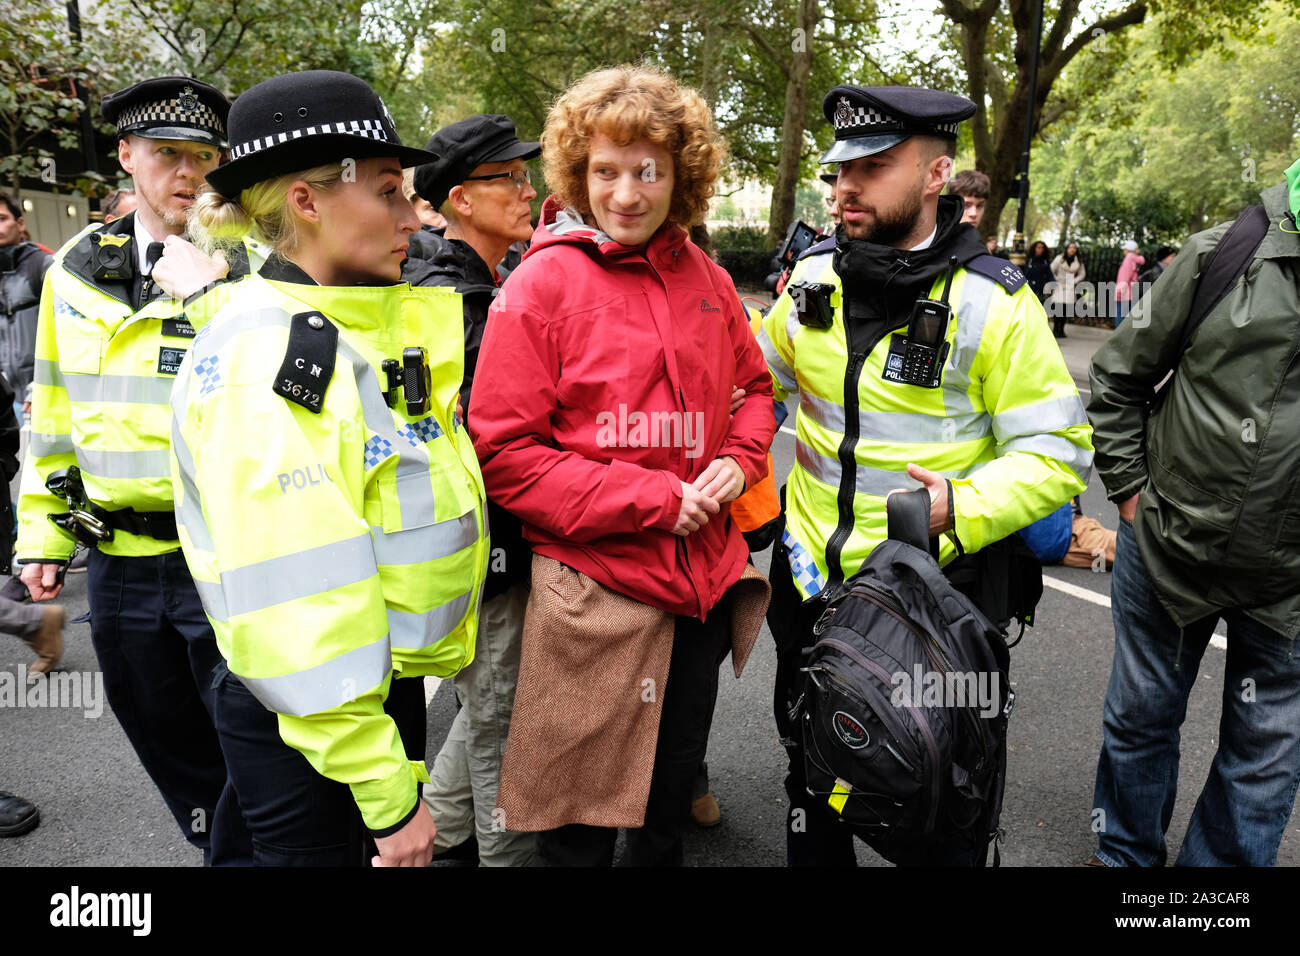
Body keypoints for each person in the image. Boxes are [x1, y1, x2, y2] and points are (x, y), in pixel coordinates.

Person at [759, 84, 1093, 867]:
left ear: (938, 173)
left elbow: (1057, 451)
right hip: (809, 590)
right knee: (814, 786)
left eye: (874, 167)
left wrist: (962, 507)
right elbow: (755, 382)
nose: (847, 185)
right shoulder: (813, 281)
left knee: (940, 806)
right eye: (841, 167)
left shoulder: (996, 303)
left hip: (933, 604)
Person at [170, 69, 489, 867]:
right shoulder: (277, 361)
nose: (414, 215)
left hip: (343, 708)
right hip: (326, 721)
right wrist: (386, 794)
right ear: (307, 203)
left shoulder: (332, 330)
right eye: (387, 191)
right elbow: (300, 612)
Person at [468, 64, 775, 867]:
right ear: (579, 173)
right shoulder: (539, 286)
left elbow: (753, 386)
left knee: (665, 812)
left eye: (649, 171)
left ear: (684, 177)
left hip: (699, 594)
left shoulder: (706, 278)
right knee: (575, 829)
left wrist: (740, 463)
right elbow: (504, 455)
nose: (627, 193)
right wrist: (651, 499)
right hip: (595, 597)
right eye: (606, 171)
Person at [15, 76, 254, 865]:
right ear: (126, 157)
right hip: (118, 561)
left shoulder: (252, 262)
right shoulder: (77, 269)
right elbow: (52, 413)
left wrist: (209, 296)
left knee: (254, 748)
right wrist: (43, 539)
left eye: (201, 156)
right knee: (163, 736)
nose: (185, 174)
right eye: (164, 155)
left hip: (225, 555)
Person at [1086, 165, 1300, 867]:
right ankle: (1125, 863)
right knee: (1140, 721)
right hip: (1169, 551)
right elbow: (1119, 376)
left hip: (1289, 589)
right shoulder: (1222, 253)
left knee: (1262, 762)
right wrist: (1129, 493)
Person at [402, 112, 541, 867]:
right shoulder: (462, 305)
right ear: (460, 199)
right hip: (485, 549)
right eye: (510, 181)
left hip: (484, 547)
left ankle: (442, 833)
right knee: (501, 717)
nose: (529, 193)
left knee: (487, 704)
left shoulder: (471, 285)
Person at [0, 191, 51, 410]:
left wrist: (39, 385)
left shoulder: (43, 265)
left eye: (2, 219)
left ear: (20, 224)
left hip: (35, 398)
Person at [1049, 241, 1085, 337]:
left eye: (1074, 248)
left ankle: (1061, 330)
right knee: (1058, 307)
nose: (1072, 249)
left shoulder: (1078, 261)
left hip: (1070, 286)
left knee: (1066, 308)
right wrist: (1055, 280)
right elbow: (1051, 269)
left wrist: (1074, 281)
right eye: (1070, 247)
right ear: (1067, 249)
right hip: (1059, 285)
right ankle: (1056, 329)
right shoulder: (1059, 259)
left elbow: (1082, 274)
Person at [1113, 239, 1144, 325]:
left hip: (1124, 293)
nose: (1123, 250)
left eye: (1124, 249)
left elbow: (1125, 277)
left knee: (1120, 315)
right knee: (1127, 316)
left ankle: (1119, 337)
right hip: (1131, 292)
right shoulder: (1135, 259)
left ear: (1127, 250)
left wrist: (1119, 291)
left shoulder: (1129, 259)